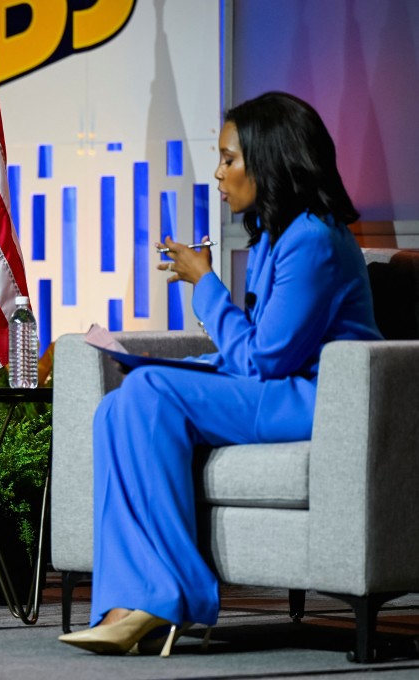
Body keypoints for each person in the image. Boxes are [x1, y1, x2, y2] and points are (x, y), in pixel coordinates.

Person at [58, 91, 382, 655]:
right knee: (119, 402)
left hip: (312, 399)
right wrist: (175, 363)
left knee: (150, 392)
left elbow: (266, 359)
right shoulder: (278, 236)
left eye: (229, 159)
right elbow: (253, 352)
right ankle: (128, 601)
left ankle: (167, 598)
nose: (219, 173)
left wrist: (205, 285)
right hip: (276, 389)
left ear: (270, 159)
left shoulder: (313, 241)